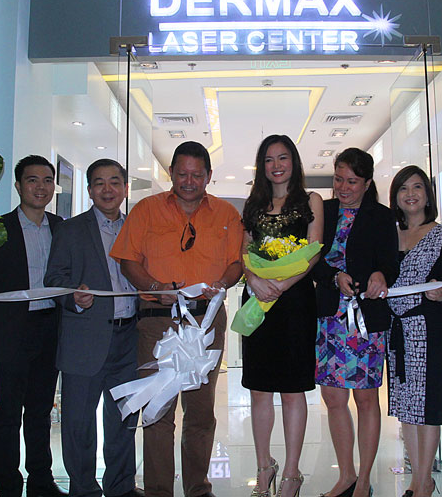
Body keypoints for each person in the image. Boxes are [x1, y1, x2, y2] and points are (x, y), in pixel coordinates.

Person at [110, 141, 243, 497]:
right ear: (171, 173)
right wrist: (153, 286)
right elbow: (127, 260)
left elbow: (236, 263)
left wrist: (224, 283)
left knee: (200, 412)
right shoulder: (146, 210)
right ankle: (157, 491)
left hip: (206, 323)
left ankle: (198, 488)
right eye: (182, 174)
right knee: (158, 411)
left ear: (208, 176)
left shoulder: (227, 215)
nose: (188, 181)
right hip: (157, 322)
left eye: (196, 175)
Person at [0, 155, 67, 497]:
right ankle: (8, 485)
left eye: (47, 180)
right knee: (8, 411)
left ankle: (41, 481)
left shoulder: (61, 227)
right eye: (32, 180)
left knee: (40, 411)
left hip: (50, 328)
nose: (41, 187)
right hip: (11, 331)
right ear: (18, 185)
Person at [44, 159, 144, 497]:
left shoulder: (137, 228)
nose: (107, 189)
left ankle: (121, 487)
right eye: (99, 183)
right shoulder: (71, 230)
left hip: (129, 339)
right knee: (78, 422)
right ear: (89, 190)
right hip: (84, 338)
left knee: (123, 420)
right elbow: (53, 279)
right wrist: (74, 297)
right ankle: (84, 488)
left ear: (125, 189)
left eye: (115, 182)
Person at [313, 147, 399, 497]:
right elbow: (312, 259)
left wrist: (379, 273)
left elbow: (389, 263)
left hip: (365, 319)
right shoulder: (325, 211)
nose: (343, 187)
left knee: (365, 399)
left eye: (351, 181)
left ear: (366, 183)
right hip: (329, 319)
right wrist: (333, 277)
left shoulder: (381, 216)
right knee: (333, 398)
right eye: (338, 179)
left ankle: (364, 480)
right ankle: (345, 475)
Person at [241, 135, 324, 497]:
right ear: (262, 166)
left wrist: (282, 284)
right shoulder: (253, 204)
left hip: (295, 303)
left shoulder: (311, 201)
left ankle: (291, 472)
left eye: (283, 158)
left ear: (294, 162)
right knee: (258, 389)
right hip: (258, 301)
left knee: (292, 390)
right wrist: (256, 280)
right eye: (269, 159)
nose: (276, 165)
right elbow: (244, 252)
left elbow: (313, 253)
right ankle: (264, 466)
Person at [386, 166, 442, 497]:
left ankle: (425, 480)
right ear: (396, 197)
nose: (410, 194)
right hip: (398, 331)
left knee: (427, 406)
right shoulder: (389, 235)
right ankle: (417, 478)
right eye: (403, 188)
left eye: (417, 187)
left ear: (427, 194)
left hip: (429, 330)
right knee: (406, 407)